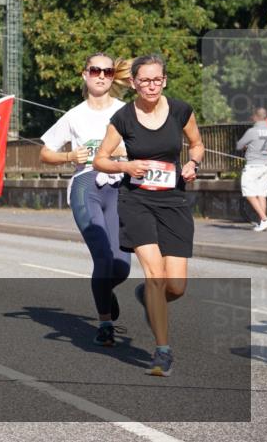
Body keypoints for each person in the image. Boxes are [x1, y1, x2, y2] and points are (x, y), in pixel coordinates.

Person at [94, 53, 204, 377]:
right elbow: (101, 159)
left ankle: (147, 298)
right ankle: (163, 351)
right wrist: (125, 165)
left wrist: (193, 163)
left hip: (173, 201)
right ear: (133, 83)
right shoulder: (123, 118)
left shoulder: (181, 110)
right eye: (144, 80)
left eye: (157, 79)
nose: (151, 85)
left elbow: (196, 144)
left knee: (177, 286)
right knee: (155, 275)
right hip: (136, 200)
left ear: (165, 80)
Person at [40, 53, 132, 346]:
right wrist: (69, 155)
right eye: (96, 70)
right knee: (103, 257)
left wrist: (127, 155)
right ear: (85, 74)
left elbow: (144, 146)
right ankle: (105, 322)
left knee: (122, 265)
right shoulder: (74, 115)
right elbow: (45, 152)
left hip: (118, 186)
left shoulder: (126, 111)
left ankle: (105, 291)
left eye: (107, 71)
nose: (101, 75)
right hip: (86, 185)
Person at [237, 107, 267, 232]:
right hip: (266, 165)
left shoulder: (252, 131)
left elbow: (239, 145)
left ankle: (264, 218)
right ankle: (262, 222)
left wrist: (247, 146)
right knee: (261, 193)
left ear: (256, 117)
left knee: (249, 192)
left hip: (253, 166)